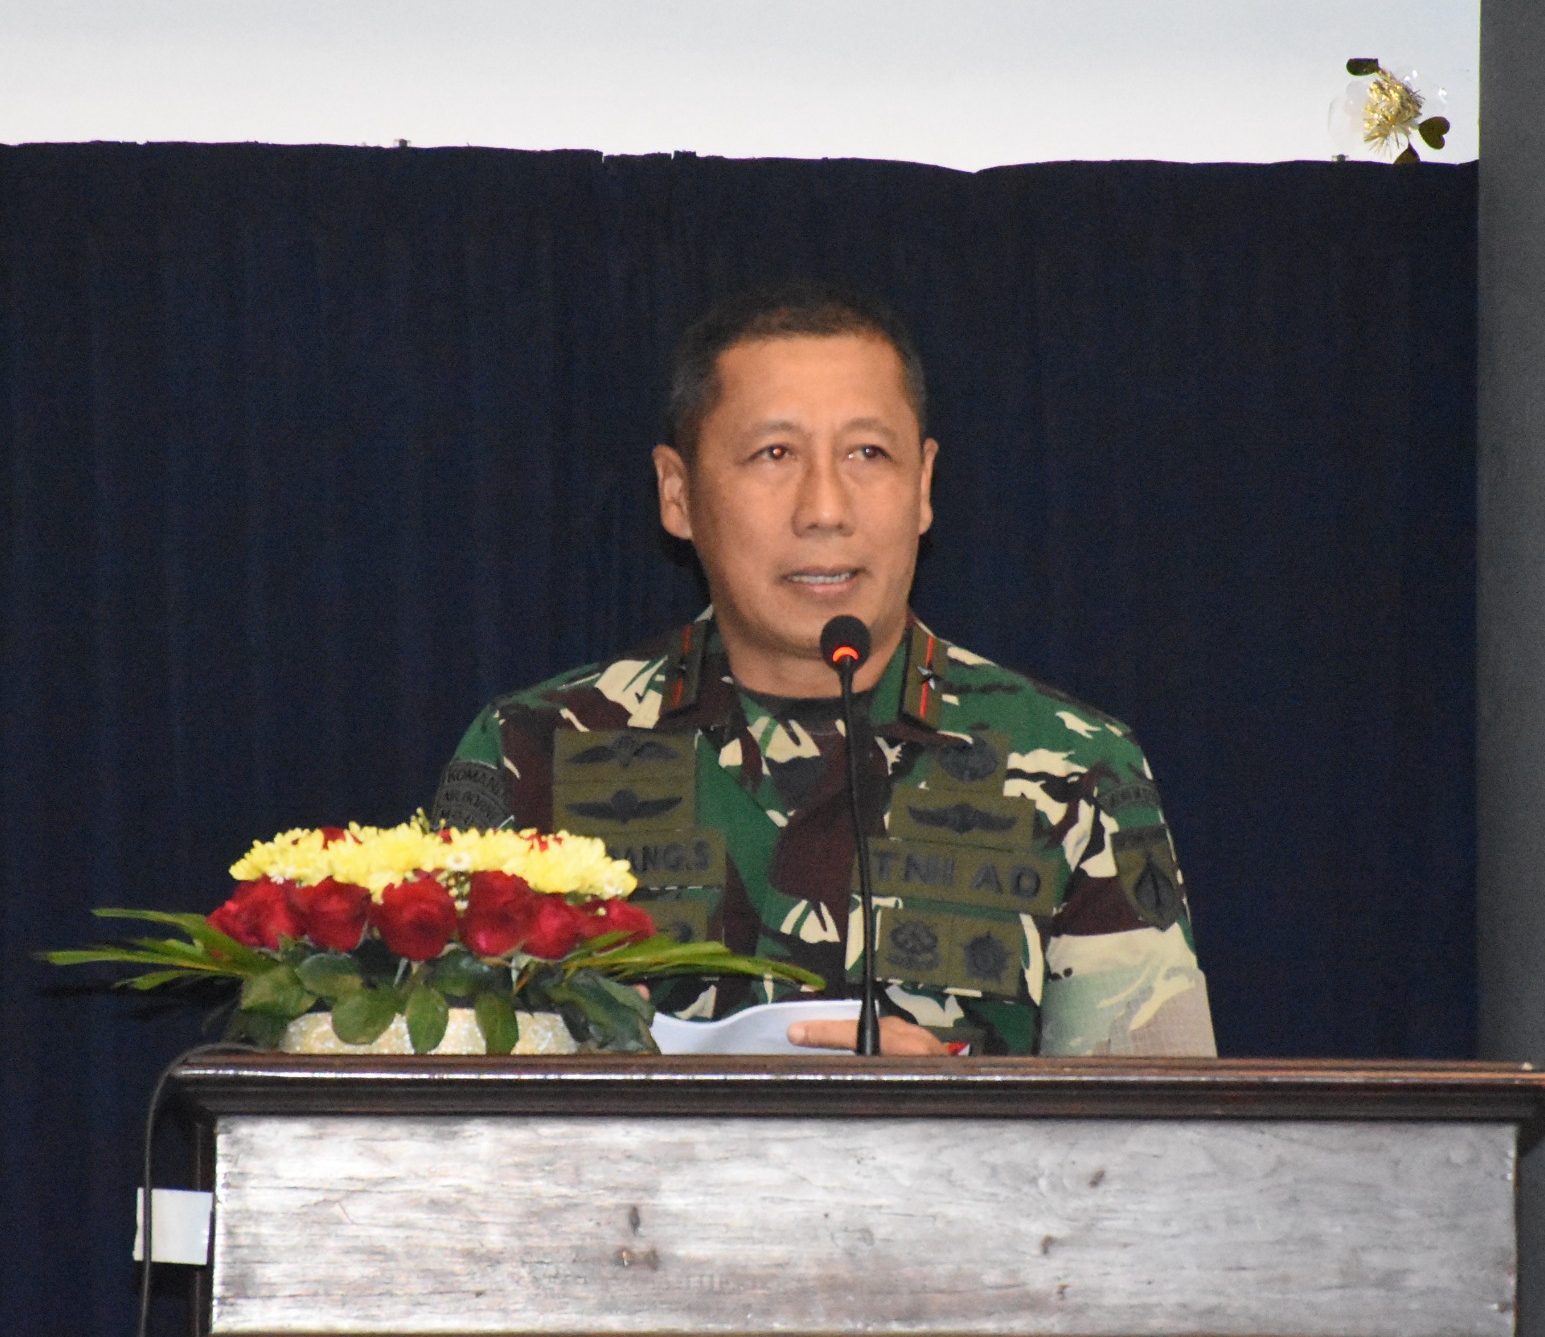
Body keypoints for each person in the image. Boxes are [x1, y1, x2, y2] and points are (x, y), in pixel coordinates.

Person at [432, 281, 1214, 1057]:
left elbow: (1156, 1116)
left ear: (923, 486)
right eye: (774, 454)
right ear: (678, 493)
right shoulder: (532, 752)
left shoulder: (1077, 765)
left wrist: (954, 1109)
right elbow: (435, 1086)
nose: (826, 509)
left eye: (867, 454)